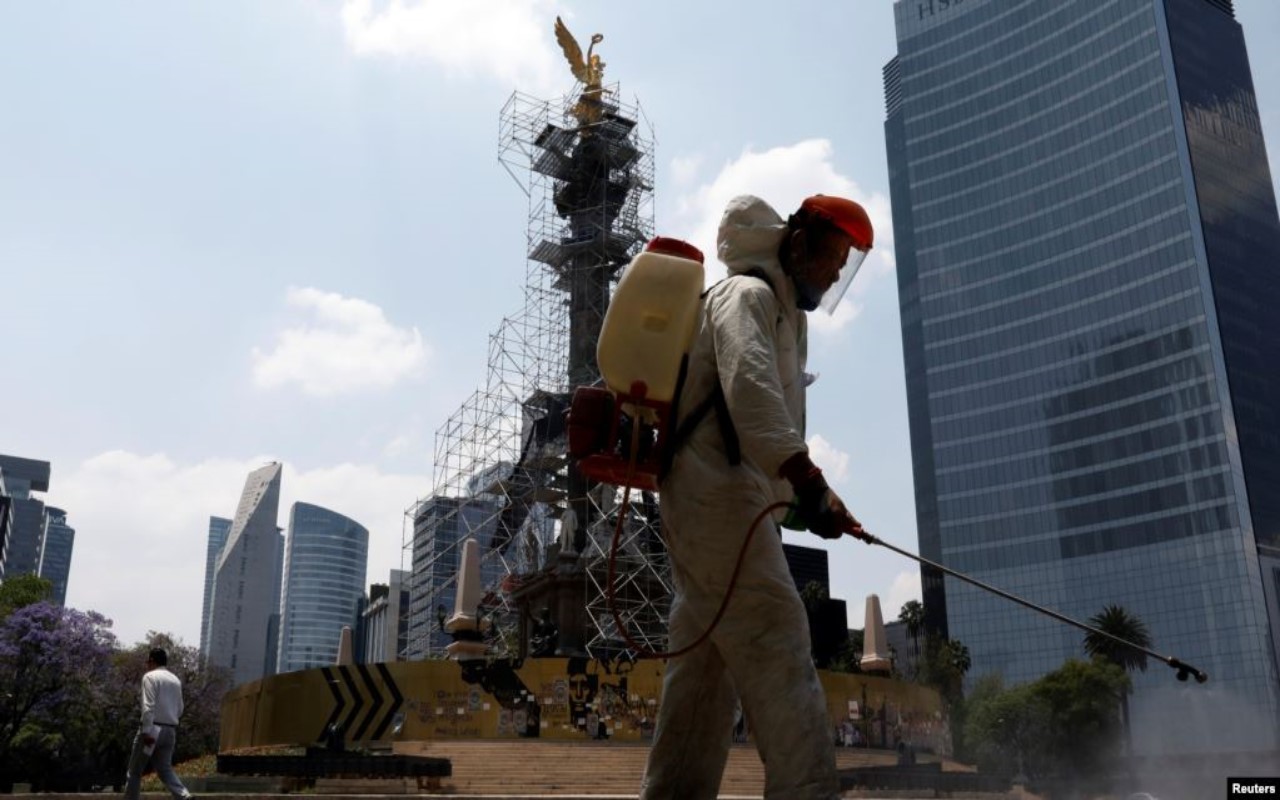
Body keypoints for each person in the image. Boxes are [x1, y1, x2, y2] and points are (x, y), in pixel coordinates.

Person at [639, 194, 873, 800]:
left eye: (844, 264)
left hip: (718, 499)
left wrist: (809, 504)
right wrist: (810, 483)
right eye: (830, 257)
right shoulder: (748, 296)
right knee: (774, 632)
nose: (832, 273)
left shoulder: (780, 314)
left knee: (705, 675)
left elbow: (761, 434)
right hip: (715, 496)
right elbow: (750, 395)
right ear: (796, 245)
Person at [124, 648, 192, 800]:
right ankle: (184, 796)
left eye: (148, 661)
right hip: (170, 730)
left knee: (135, 771)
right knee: (165, 769)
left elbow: (148, 707)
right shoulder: (175, 680)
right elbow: (180, 708)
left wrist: (147, 731)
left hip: (153, 730)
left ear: (153, 661)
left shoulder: (150, 677)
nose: (147, 665)